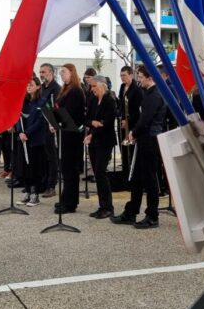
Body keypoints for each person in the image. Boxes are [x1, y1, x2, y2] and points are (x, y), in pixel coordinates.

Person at [112, 64, 166, 229]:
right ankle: (131, 211)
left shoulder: (155, 95)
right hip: (143, 139)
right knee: (136, 177)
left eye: (141, 77)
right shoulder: (148, 93)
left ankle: (152, 216)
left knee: (149, 179)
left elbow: (146, 119)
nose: (139, 80)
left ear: (150, 78)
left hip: (150, 140)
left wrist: (133, 132)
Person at [54, 63, 86, 214]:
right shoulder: (65, 90)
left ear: (72, 73)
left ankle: (70, 202)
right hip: (64, 133)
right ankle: (66, 198)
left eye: (64, 72)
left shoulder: (77, 91)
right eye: (60, 73)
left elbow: (72, 113)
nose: (61, 75)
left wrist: (59, 120)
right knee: (66, 169)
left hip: (73, 134)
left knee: (71, 169)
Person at [85, 75, 116, 219]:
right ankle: (102, 205)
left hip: (105, 141)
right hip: (94, 140)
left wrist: (92, 133)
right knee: (97, 174)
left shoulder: (110, 100)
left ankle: (108, 207)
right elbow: (87, 119)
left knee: (100, 172)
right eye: (91, 86)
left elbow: (107, 123)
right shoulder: (92, 99)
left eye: (94, 86)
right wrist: (93, 124)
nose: (92, 89)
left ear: (102, 85)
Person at [18, 76, 46, 207]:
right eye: (27, 84)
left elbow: (40, 122)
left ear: (38, 86)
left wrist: (27, 133)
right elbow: (18, 118)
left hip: (36, 140)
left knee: (35, 168)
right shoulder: (23, 101)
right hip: (24, 140)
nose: (28, 86)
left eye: (31, 84)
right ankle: (28, 192)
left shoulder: (42, 102)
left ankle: (35, 195)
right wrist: (20, 132)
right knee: (25, 167)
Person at [38, 63, 61, 198]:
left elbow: (56, 108)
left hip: (51, 128)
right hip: (41, 127)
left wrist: (54, 124)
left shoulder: (56, 89)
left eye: (44, 72)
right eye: (40, 72)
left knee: (52, 158)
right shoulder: (42, 88)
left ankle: (51, 186)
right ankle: (44, 183)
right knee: (44, 157)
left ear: (51, 73)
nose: (41, 74)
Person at [117, 66, 142, 172]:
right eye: (121, 75)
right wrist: (120, 116)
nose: (122, 78)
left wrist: (128, 120)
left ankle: (132, 172)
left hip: (132, 123)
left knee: (131, 150)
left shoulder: (137, 89)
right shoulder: (122, 87)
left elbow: (137, 109)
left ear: (131, 75)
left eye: (124, 75)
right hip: (122, 121)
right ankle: (125, 170)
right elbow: (120, 104)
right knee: (123, 148)